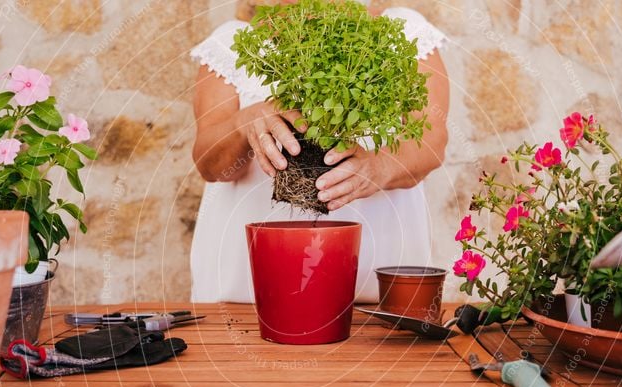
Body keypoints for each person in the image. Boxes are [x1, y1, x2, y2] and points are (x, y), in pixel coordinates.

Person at [189, 0, 450, 303]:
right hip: (246, 293)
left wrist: (379, 168)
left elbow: (432, 140)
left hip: (380, 292)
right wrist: (244, 122)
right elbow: (211, 166)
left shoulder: (402, 32)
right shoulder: (231, 44)